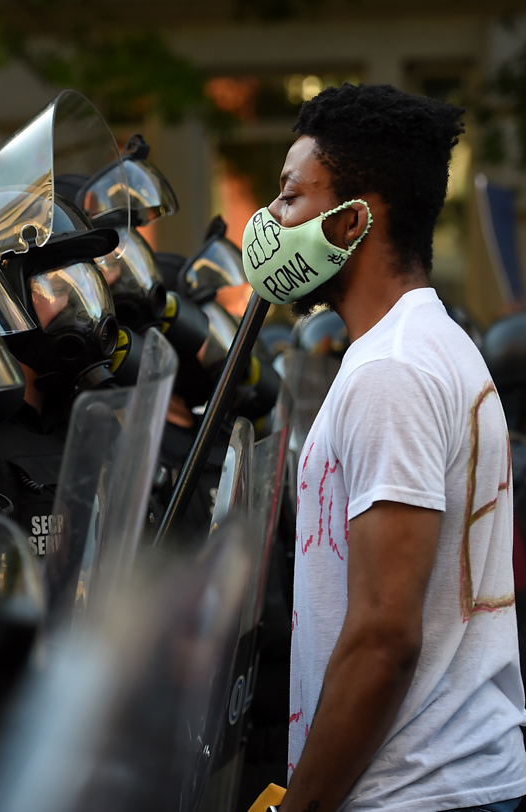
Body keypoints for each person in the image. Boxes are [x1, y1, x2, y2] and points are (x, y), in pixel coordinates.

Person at [253, 84, 526, 812]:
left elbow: (383, 637)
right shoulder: (422, 348)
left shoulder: (392, 373)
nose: (272, 220)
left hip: (416, 791)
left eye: (289, 197)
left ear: (349, 223)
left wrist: (296, 808)